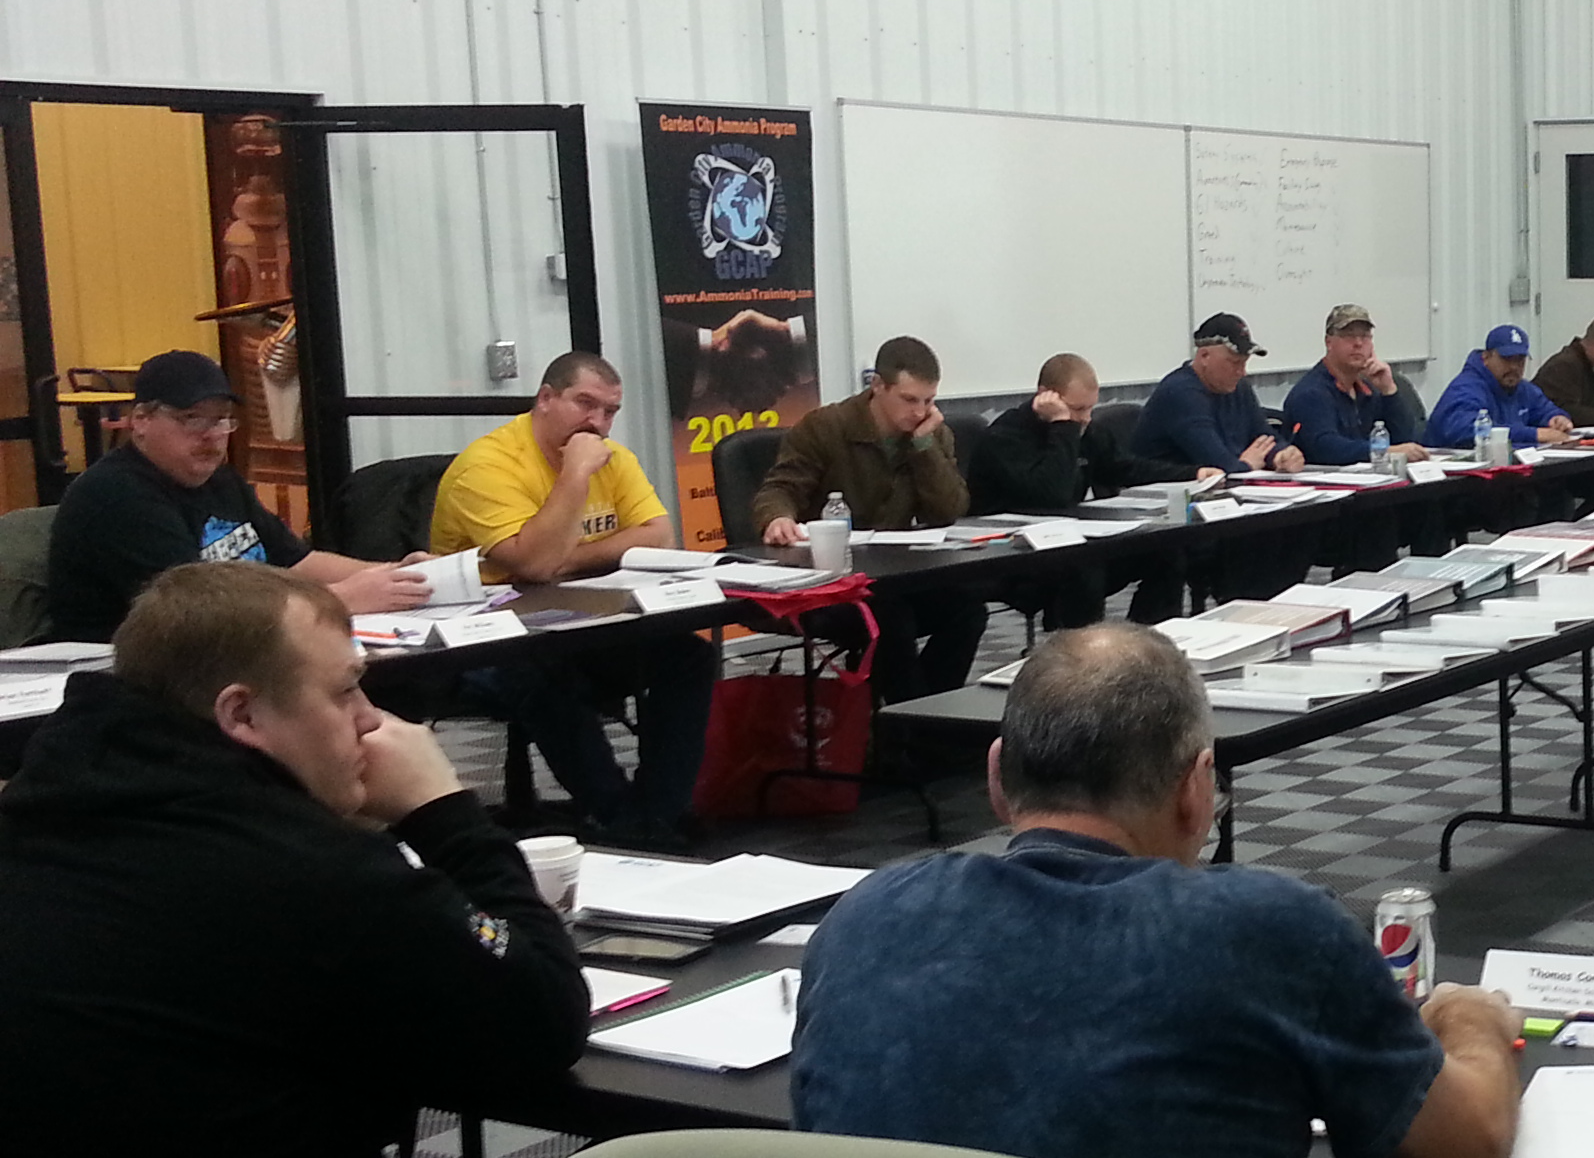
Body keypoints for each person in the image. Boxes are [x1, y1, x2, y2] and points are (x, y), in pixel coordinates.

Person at [791, 623, 1521, 1158]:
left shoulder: (865, 918)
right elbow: (1466, 1157)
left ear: (997, 776)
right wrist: (1471, 1020)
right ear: (1197, 789)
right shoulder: (1270, 930)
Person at [0, 562, 589, 1158]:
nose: (371, 720)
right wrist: (445, 811)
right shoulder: (304, 872)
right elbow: (542, 1018)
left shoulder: (39, 817)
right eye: (346, 691)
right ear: (242, 715)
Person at [431, 354, 714, 847]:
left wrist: (565, 559)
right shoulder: (486, 466)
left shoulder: (614, 458)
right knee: (541, 673)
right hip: (479, 639)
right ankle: (616, 815)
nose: (597, 423)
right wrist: (575, 475)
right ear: (545, 399)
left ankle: (656, 815)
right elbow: (535, 565)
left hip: (577, 620)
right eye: (585, 404)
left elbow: (658, 535)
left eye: (609, 412)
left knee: (688, 656)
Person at [45, 349, 432, 640]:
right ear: (141, 421)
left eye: (222, 420)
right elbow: (197, 612)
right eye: (192, 419)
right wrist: (341, 599)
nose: (212, 435)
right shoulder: (117, 496)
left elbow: (297, 561)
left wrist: (400, 576)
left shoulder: (219, 481)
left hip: (238, 651)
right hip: (146, 675)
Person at [754, 336, 986, 703]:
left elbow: (948, 511)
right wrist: (777, 517)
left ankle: (931, 715)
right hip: (834, 580)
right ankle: (907, 725)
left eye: (928, 400)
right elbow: (779, 488)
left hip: (893, 573)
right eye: (909, 399)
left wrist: (924, 448)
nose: (920, 411)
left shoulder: (933, 434)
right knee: (890, 618)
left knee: (968, 610)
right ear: (877, 385)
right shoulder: (826, 426)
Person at [968, 353, 1208, 626]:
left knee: (1164, 551)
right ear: (1045, 396)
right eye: (1077, 409)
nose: (1085, 419)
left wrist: (1193, 473)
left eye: (1090, 408)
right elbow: (1053, 494)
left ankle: (1145, 638)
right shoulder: (1005, 436)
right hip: (1012, 552)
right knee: (1084, 567)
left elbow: (1125, 468)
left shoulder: (1084, 430)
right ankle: (1078, 650)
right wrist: (1063, 426)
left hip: (1067, 539)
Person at [1137, 313, 1307, 476]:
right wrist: (1246, 465)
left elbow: (1263, 435)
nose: (1242, 372)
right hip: (1169, 490)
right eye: (1234, 362)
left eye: (1244, 363)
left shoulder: (1238, 386)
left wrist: (1281, 455)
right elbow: (1217, 464)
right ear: (1204, 356)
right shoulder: (1180, 392)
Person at [1280, 306, 1432, 466]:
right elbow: (1326, 448)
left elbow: (1406, 439)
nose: (1358, 343)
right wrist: (1383, 452)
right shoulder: (1311, 393)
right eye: (1349, 336)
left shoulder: (1369, 389)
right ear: (1328, 342)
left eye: (1365, 336)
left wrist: (1388, 391)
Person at [1422, 324, 1575, 453]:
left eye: (1520, 360)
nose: (1514, 367)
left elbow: (1545, 409)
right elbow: (1466, 430)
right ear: (1486, 358)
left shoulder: (1523, 389)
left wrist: (1557, 419)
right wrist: (1534, 434)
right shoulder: (1466, 388)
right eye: (1507, 359)